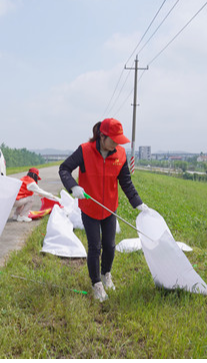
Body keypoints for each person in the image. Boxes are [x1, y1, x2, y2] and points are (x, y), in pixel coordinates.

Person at [59, 118, 149, 302]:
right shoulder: (84, 151)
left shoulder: (121, 155)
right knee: (95, 246)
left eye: (118, 140)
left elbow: (126, 183)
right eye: (113, 140)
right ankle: (96, 284)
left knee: (109, 245)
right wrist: (73, 186)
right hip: (90, 208)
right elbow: (64, 169)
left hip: (109, 208)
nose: (116, 144)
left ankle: (106, 273)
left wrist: (138, 203)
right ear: (102, 136)